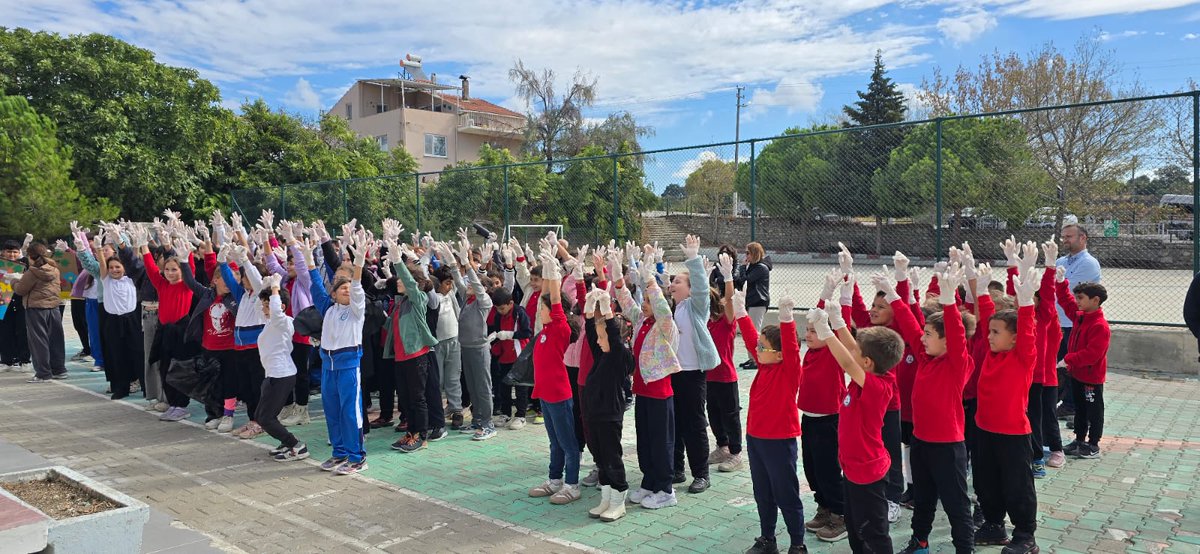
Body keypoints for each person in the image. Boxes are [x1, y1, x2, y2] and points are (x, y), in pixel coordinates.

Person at [810, 290, 903, 554]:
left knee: (873, 532)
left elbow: (848, 362)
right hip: (853, 469)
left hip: (868, 474)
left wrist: (826, 332)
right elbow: (854, 351)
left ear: (867, 362)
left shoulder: (879, 387)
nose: (853, 354)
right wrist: (838, 321)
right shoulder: (867, 375)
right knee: (855, 527)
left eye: (858, 354)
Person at [898, 264, 975, 554]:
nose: (923, 338)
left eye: (929, 334)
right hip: (921, 441)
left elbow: (957, 334)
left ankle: (964, 548)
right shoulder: (925, 358)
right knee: (923, 497)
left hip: (947, 447)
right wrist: (897, 289)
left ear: (946, 340)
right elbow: (910, 325)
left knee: (956, 504)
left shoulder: (957, 364)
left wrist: (948, 301)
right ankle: (920, 542)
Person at [973, 241, 1041, 554]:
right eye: (989, 332)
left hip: (1013, 434)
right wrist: (981, 289)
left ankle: (1025, 535)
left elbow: (1027, 329)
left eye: (996, 333)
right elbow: (988, 315)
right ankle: (993, 524)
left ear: (1014, 339)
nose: (989, 336)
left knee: (1018, 486)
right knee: (986, 482)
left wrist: (1025, 302)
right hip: (984, 429)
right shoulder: (992, 353)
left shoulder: (1022, 357)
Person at [737, 293, 806, 554]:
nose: (756, 350)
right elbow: (750, 338)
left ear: (778, 355)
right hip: (755, 439)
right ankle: (768, 539)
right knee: (762, 493)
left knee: (786, 494)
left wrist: (787, 319)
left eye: (762, 348)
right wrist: (741, 312)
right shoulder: (765, 366)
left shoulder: (788, 372)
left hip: (779, 442)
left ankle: (797, 544)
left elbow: (791, 349)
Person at [614, 248, 681, 510]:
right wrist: (618, 280)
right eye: (645, 301)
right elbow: (627, 304)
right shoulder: (643, 321)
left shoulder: (665, 325)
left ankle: (665, 489)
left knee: (661, 443)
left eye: (649, 302)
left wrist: (652, 282)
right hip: (642, 391)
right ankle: (649, 481)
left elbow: (663, 309)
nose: (644, 304)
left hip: (660, 394)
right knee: (645, 441)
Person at [308, 232, 369, 475]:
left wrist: (359, 263)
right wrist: (308, 260)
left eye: (348, 287)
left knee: (350, 413)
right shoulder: (329, 309)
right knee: (332, 411)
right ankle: (340, 452)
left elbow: (358, 288)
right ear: (333, 294)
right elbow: (315, 286)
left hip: (348, 367)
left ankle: (357, 457)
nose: (346, 290)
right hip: (328, 367)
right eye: (341, 288)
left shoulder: (356, 311)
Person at [528, 237, 583, 505]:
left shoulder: (560, 328)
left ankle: (572, 485)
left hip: (560, 396)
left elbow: (556, 302)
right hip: (545, 395)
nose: (540, 310)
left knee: (568, 443)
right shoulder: (545, 331)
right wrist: (548, 274)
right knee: (554, 441)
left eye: (543, 308)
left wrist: (553, 273)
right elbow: (548, 297)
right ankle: (554, 480)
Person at [799, 271, 850, 543]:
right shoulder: (811, 352)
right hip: (809, 418)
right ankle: (824, 507)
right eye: (807, 330)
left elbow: (834, 325)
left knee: (829, 471)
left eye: (814, 331)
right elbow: (817, 317)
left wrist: (831, 297)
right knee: (812, 468)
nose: (809, 334)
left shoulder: (832, 352)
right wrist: (824, 293)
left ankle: (841, 514)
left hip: (829, 420)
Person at [669, 234, 721, 494]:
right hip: (674, 374)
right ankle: (676, 469)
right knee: (675, 423)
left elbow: (701, 288)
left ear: (690, 289)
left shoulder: (696, 307)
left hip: (693, 375)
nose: (672, 285)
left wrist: (693, 260)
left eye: (677, 281)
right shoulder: (674, 308)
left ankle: (701, 474)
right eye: (673, 281)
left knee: (694, 425)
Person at [382, 242, 440, 454]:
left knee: (418, 398)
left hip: (416, 355)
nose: (398, 281)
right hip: (401, 357)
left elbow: (410, 283)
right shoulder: (401, 303)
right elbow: (390, 326)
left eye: (402, 279)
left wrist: (398, 261)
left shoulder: (418, 299)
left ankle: (421, 436)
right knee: (406, 399)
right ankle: (411, 433)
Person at [582, 286, 634, 522]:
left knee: (612, 459)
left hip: (609, 416)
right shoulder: (602, 354)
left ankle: (618, 501)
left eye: (604, 337)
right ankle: (606, 498)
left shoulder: (618, 356)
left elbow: (611, 336)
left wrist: (607, 310)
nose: (599, 341)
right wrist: (589, 310)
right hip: (594, 415)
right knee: (600, 459)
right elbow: (592, 335)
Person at [254, 275, 309, 462]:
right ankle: (286, 442)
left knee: (266, 418)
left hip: (282, 375)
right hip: (273, 375)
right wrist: (265, 287)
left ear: (281, 306)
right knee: (260, 415)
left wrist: (276, 288)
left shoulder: (284, 322)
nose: (264, 309)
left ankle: (296, 445)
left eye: (267, 305)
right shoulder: (270, 322)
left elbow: (276, 311)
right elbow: (258, 309)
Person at [1056, 275, 1111, 460]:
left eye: (1081, 298)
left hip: (1091, 379)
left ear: (1095, 300)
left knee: (1094, 411)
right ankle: (1079, 440)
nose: (1077, 301)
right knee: (1079, 409)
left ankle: (1093, 444)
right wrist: (1060, 283)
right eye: (1077, 297)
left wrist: (1068, 359)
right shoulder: (1080, 317)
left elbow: (1092, 354)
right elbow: (1066, 303)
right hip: (1077, 375)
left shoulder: (1099, 326)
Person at [1054, 225, 1101, 418]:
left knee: (1073, 366)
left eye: (1069, 236)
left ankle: (1074, 407)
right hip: (1058, 321)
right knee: (1059, 366)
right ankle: (1066, 404)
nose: (1065, 240)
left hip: (1073, 322)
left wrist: (1058, 284)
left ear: (1083, 238)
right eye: (1063, 236)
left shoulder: (1089, 263)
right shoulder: (1060, 261)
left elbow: (1072, 290)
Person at [95, 235, 145, 400]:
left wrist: (136, 244)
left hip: (132, 320)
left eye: (118, 267)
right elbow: (102, 264)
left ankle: (145, 387)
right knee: (117, 355)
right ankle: (121, 388)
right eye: (112, 267)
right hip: (113, 322)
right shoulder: (106, 280)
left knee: (138, 353)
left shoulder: (130, 279)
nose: (114, 270)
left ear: (124, 268)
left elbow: (134, 261)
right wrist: (98, 249)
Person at [706, 253, 744, 473]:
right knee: (713, 414)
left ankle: (736, 452)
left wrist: (729, 277)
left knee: (730, 416)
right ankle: (722, 446)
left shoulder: (727, 323)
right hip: (708, 376)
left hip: (726, 377)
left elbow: (729, 299)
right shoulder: (707, 323)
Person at [10, 241, 67, 382]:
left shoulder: (32, 272)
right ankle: (59, 369)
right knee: (56, 339)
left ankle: (43, 373)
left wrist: (13, 281)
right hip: (54, 307)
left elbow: (20, 290)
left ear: (30, 256)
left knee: (38, 341)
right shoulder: (54, 269)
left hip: (36, 308)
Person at [734, 241, 771, 370]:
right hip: (751, 301)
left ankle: (756, 359)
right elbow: (740, 281)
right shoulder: (754, 266)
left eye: (748, 253)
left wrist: (743, 267)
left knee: (754, 331)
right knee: (748, 331)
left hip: (758, 302)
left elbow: (747, 279)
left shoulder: (761, 267)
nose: (746, 256)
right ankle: (752, 358)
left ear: (754, 253)